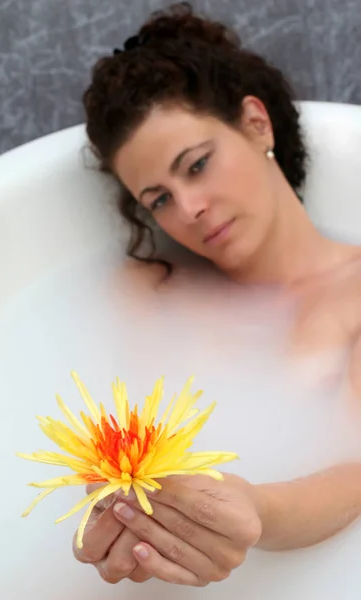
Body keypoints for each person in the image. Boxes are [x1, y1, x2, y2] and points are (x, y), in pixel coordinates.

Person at [73, 2, 361, 587]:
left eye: (197, 165)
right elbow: (129, 447)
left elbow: (352, 478)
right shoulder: (148, 288)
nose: (189, 209)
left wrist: (255, 509)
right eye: (158, 200)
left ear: (256, 124)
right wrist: (110, 512)